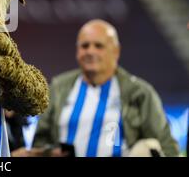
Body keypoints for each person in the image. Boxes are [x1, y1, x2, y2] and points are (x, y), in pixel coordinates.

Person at [12, 19, 179, 157]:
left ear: (116, 51)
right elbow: (40, 141)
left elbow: (165, 145)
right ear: (77, 51)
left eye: (99, 46)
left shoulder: (139, 92)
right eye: (85, 46)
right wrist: (48, 152)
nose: (90, 51)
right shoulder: (59, 87)